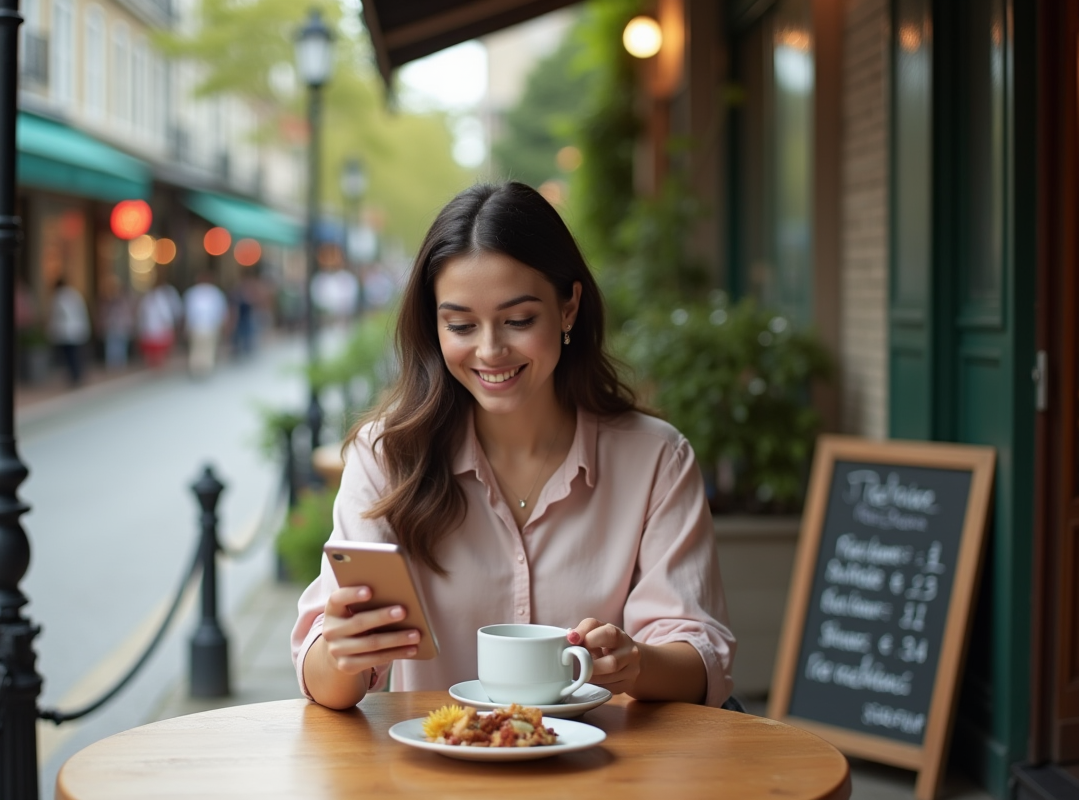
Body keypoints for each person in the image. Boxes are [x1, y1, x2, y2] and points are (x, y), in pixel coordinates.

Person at [292, 182, 735, 711]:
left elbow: (703, 662)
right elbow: (324, 679)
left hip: (604, 776)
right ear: (433, 326)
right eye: (460, 324)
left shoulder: (657, 459)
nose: (489, 350)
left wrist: (635, 661)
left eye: (518, 320)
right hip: (438, 776)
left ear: (568, 307)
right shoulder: (387, 457)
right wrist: (344, 654)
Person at [182, 272, 228, 378]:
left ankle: (202, 369)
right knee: (199, 348)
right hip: (198, 325)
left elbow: (220, 311)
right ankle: (199, 369)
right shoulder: (195, 293)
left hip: (208, 325)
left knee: (205, 348)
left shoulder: (213, 293)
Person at [47, 277, 91, 386]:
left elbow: (57, 316)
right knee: (75, 355)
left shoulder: (59, 297)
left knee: (70, 356)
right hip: (76, 330)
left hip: (66, 332)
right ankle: (77, 375)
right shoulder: (74, 294)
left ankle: (75, 376)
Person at [138, 273, 182, 369]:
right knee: (154, 349)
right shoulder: (153, 297)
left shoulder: (156, 297)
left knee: (156, 350)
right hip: (154, 328)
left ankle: (157, 366)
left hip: (156, 328)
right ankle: (155, 366)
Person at [100, 277, 135, 370]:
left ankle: (120, 365)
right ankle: (112, 365)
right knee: (111, 347)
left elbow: (128, 314)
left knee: (120, 347)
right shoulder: (108, 300)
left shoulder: (124, 301)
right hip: (112, 327)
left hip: (121, 327)